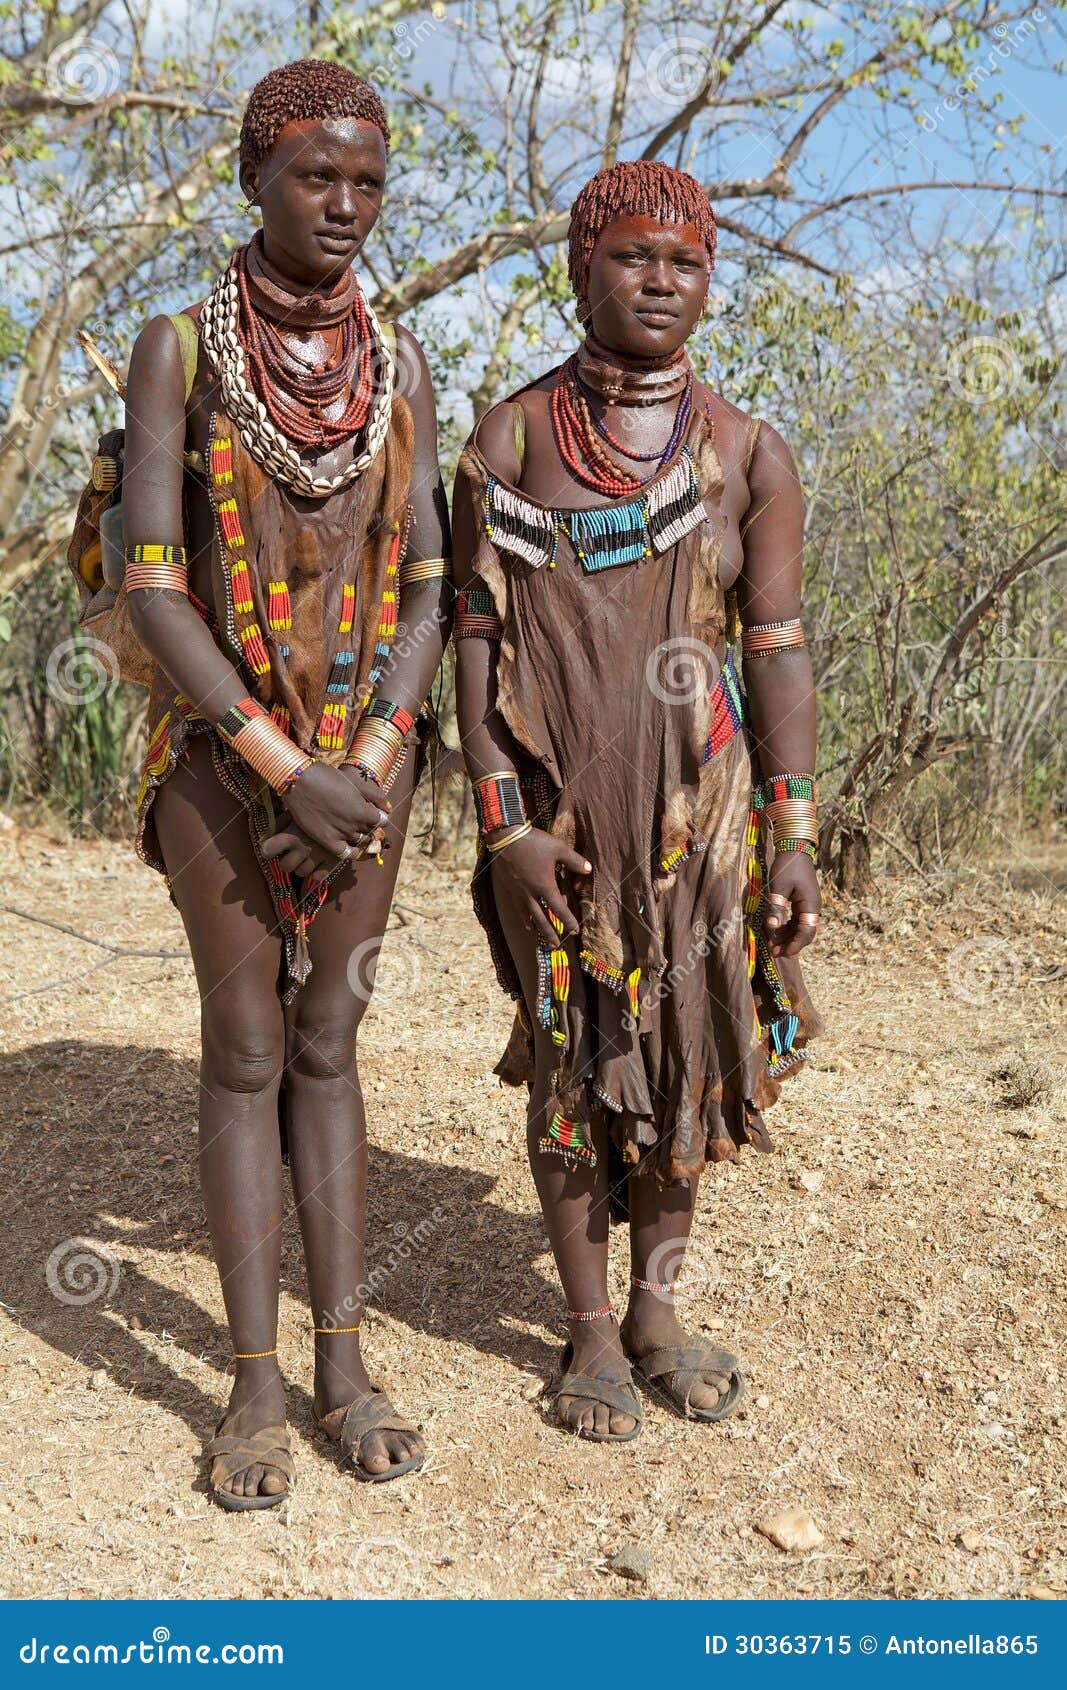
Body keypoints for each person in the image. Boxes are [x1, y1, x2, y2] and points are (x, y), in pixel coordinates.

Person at [122, 59, 452, 1506]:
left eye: (367, 180)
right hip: (220, 759)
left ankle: (343, 1359)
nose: (345, 204)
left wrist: (367, 757)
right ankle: (249, 1389)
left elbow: (433, 588)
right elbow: (147, 582)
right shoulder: (178, 353)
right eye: (316, 175)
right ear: (252, 180)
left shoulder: (404, 366)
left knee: (331, 1041)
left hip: (365, 762)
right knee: (246, 1048)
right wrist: (277, 763)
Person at [451, 160, 821, 1443]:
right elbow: (474, 646)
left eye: (686, 262)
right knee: (573, 1054)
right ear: (578, 267)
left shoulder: (742, 450)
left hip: (699, 817)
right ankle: (590, 1331)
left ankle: (658, 1311)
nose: (661, 281)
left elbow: (772, 645)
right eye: (632, 257)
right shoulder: (507, 439)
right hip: (558, 820)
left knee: (684, 1059)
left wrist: (791, 834)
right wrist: (504, 827)